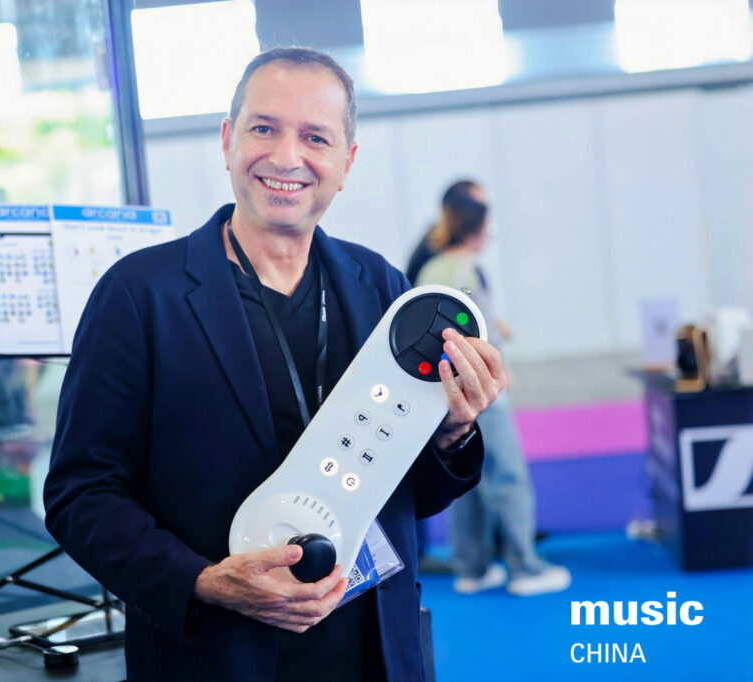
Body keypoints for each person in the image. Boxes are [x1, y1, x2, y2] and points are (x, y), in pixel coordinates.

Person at [44, 47, 507, 681]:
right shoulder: (139, 296)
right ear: (229, 140)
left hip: (375, 649)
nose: (287, 157)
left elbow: (405, 494)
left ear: (345, 164)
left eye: (315, 137)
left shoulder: (383, 290)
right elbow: (80, 494)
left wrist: (452, 432)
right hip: (215, 655)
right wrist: (203, 582)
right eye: (264, 128)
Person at [414, 181, 571, 597]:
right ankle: (526, 567)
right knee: (509, 478)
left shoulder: (433, 268)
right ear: (479, 228)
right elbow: (473, 330)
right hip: (485, 393)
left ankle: (473, 567)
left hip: (446, 395)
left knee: (467, 480)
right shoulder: (468, 271)